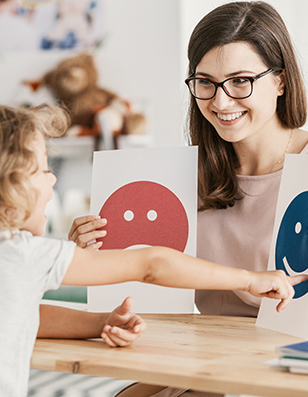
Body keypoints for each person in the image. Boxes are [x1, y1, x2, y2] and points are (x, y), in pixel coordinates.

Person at [60, 1, 308, 396]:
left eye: (240, 80)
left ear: (280, 80)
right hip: (204, 361)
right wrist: (89, 256)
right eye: (205, 82)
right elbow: (146, 285)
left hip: (286, 370)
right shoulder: (176, 180)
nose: (220, 102)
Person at [1, 103, 302, 397]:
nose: (52, 177)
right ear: (10, 187)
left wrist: (100, 322)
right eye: (42, 170)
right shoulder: (24, 254)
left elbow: (23, 313)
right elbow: (152, 263)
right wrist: (249, 280)